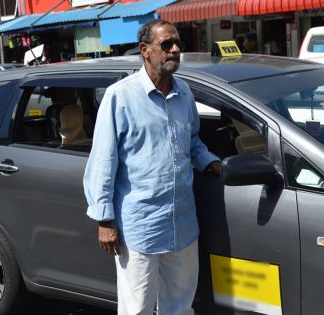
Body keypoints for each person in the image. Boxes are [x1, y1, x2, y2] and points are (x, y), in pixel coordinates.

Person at [83, 19, 221, 315]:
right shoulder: (121, 96)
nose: (174, 50)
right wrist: (104, 219)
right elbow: (103, 160)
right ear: (145, 50)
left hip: (182, 224)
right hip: (140, 227)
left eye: (177, 44)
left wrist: (211, 163)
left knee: (181, 306)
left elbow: (193, 141)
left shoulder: (184, 92)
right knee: (138, 308)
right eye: (166, 44)